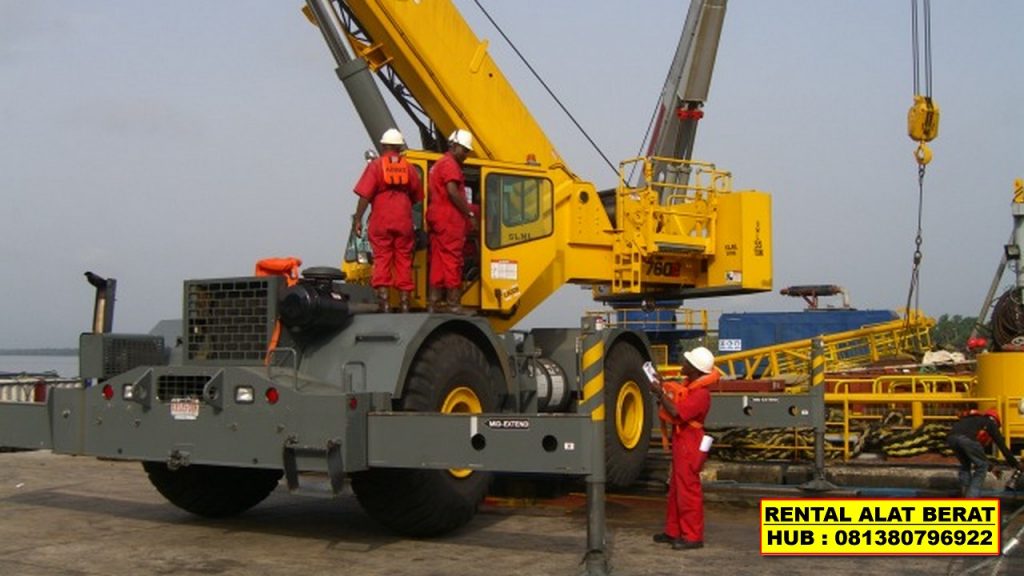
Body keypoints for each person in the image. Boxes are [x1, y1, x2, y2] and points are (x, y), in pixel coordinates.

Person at [648, 346, 719, 550]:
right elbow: (675, 396)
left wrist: (660, 393)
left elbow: (677, 412)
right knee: (676, 488)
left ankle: (693, 536)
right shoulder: (692, 388)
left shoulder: (701, 394)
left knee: (688, 490)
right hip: (683, 440)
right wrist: (662, 385)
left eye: (687, 362)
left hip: (690, 442)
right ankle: (674, 531)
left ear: (695, 370)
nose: (683, 364)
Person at [352, 128, 423, 313]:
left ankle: (384, 303)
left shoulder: (376, 166)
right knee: (403, 259)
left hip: (381, 219)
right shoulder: (409, 168)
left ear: (383, 146)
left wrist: (358, 219)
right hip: (403, 220)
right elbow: (418, 196)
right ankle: (405, 303)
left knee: (382, 258)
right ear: (400, 147)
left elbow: (365, 195)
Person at [426, 128, 478, 313]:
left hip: (437, 219)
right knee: (452, 260)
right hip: (449, 220)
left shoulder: (439, 164)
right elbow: (452, 191)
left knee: (438, 261)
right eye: (464, 150)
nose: (466, 155)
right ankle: (453, 303)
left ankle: (433, 302)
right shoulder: (450, 165)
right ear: (454, 146)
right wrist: (469, 214)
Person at [947, 408, 1023, 498]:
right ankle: (971, 498)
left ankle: (964, 492)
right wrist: (1016, 464)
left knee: (965, 465)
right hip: (967, 439)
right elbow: (1002, 446)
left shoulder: (972, 420)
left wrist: (991, 468)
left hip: (951, 439)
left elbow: (978, 456)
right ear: (995, 420)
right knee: (982, 467)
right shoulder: (990, 422)